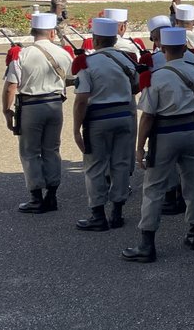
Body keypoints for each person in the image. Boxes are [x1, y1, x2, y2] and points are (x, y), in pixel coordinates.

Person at [122, 26, 194, 263]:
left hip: (164, 134)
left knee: (153, 188)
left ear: (162, 49)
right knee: (193, 182)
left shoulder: (157, 76)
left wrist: (140, 146)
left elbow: (148, 116)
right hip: (190, 131)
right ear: (184, 48)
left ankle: (147, 243)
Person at [72, 17, 140, 231]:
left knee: (95, 167)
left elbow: (81, 99)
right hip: (124, 115)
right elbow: (137, 86)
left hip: (99, 118)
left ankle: (98, 215)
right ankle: (117, 213)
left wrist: (76, 129)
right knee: (120, 164)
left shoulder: (88, 63)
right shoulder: (126, 60)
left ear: (95, 39)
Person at [3, 12, 73, 214]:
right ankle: (52, 196)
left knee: (30, 151)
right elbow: (71, 78)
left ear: (33, 31)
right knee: (51, 149)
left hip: (31, 106)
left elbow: (11, 87)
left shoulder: (22, 54)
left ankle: (36, 197)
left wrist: (7, 111)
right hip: (55, 104)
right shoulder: (64, 53)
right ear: (52, 32)